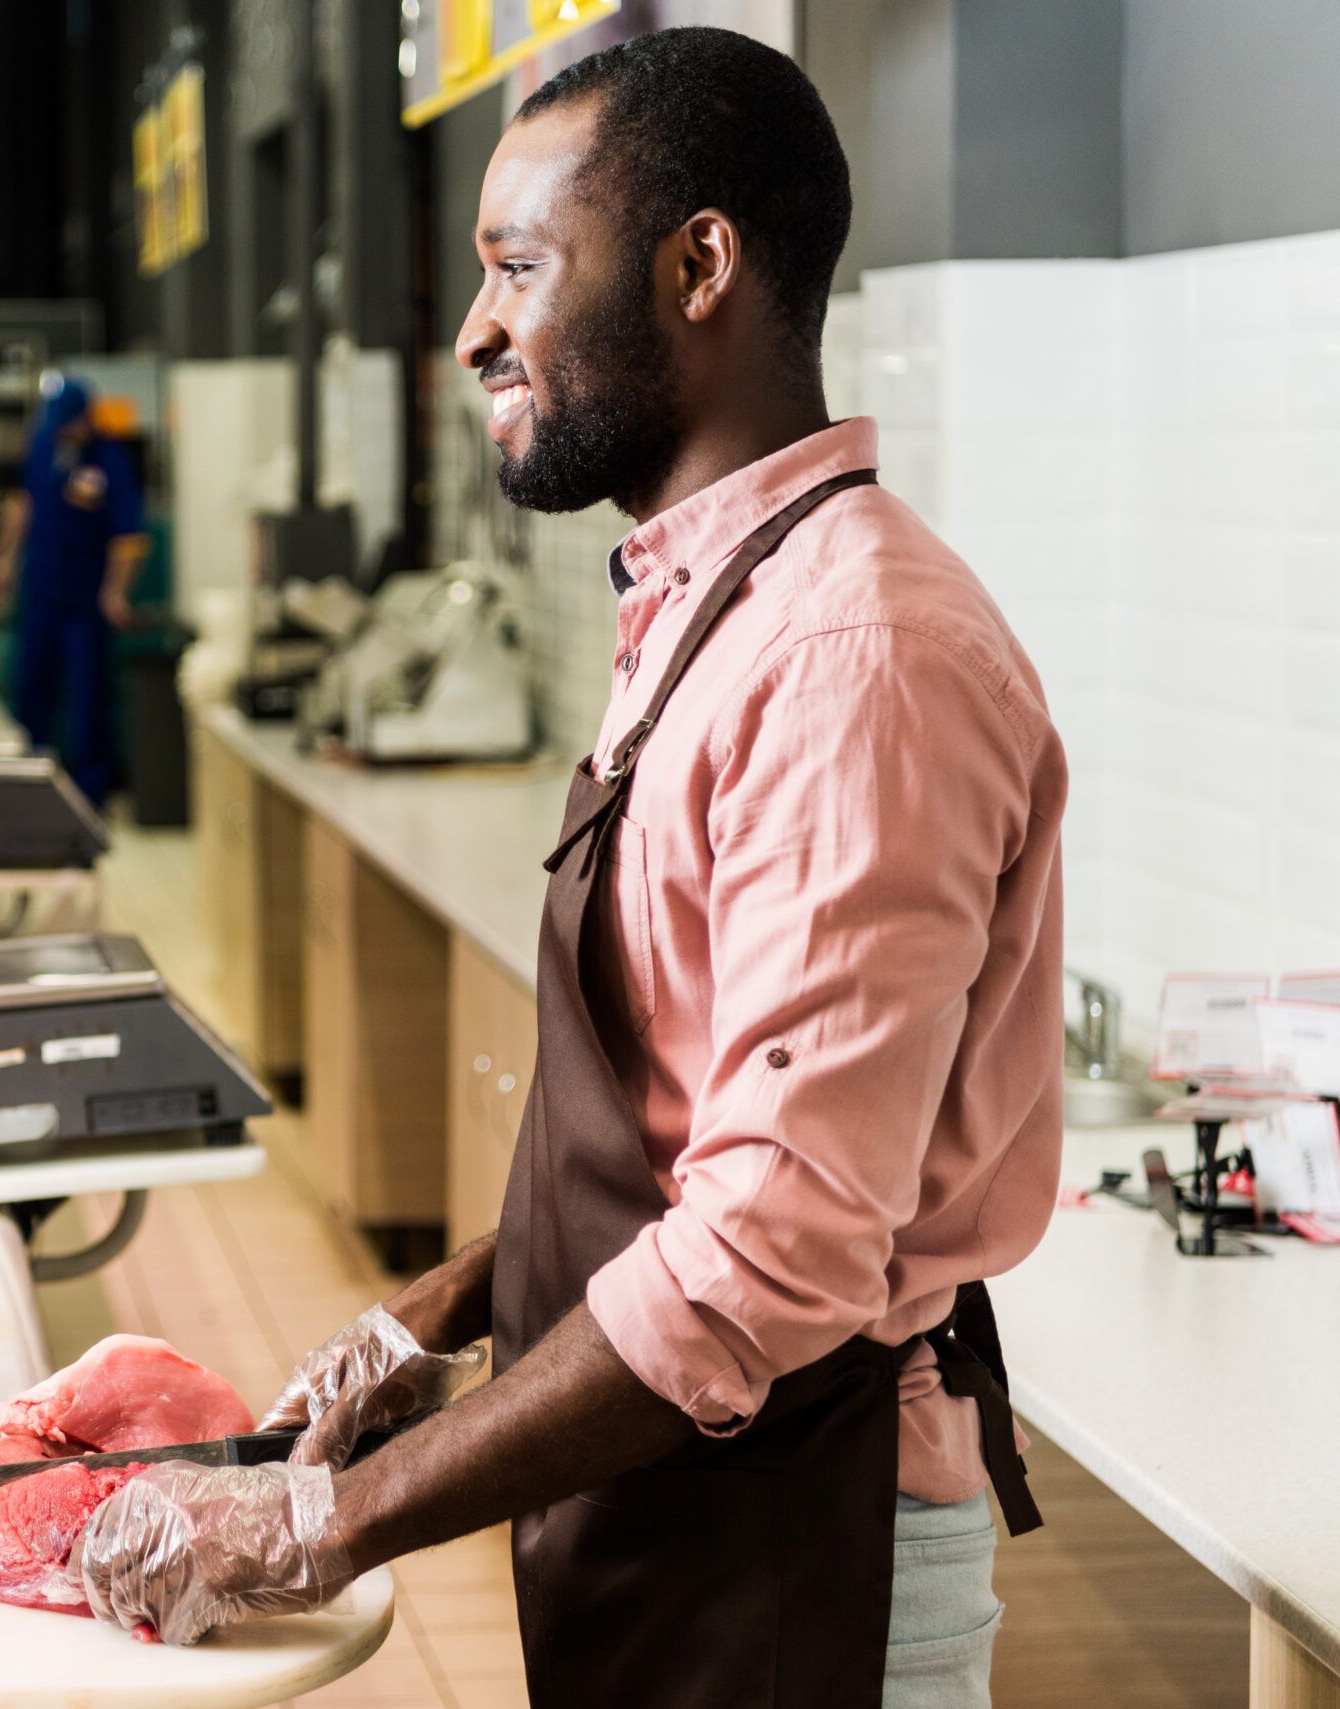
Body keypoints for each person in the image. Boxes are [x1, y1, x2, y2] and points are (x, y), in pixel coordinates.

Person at [71, 28, 1067, 1708]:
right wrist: (449, 1302)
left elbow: (770, 1250)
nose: (472, 331)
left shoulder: (852, 653)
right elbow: (692, 1122)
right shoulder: (716, 598)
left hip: (809, 1552)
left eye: (519, 267)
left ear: (700, 264)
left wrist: (326, 1518)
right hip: (689, 1509)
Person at [0, 378, 148, 806]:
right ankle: (30, 782)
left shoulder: (110, 461)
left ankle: (90, 794)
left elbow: (129, 536)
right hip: (41, 594)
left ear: (86, 417)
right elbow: (23, 503)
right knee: (31, 690)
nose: (64, 433)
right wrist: (3, 558)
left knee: (87, 700)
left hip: (84, 603)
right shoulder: (44, 446)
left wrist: (116, 591)